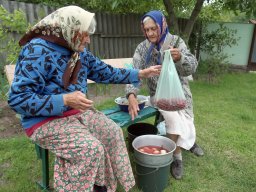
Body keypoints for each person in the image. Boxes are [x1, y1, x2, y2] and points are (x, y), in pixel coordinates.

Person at [8, 6, 161, 192]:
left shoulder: (78, 51)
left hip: (75, 113)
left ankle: (103, 186)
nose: (88, 40)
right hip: (43, 121)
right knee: (90, 148)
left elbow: (106, 72)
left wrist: (139, 73)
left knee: (112, 131)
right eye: (85, 34)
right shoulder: (37, 50)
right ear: (68, 30)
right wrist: (63, 100)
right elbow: (18, 100)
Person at [125, 10, 204, 180]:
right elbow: (134, 72)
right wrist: (131, 94)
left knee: (186, 115)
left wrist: (180, 57)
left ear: (162, 25)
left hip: (180, 93)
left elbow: (192, 67)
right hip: (158, 96)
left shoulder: (175, 42)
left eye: (154, 28)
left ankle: (189, 142)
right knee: (174, 118)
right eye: (147, 30)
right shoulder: (142, 48)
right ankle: (176, 157)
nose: (150, 33)